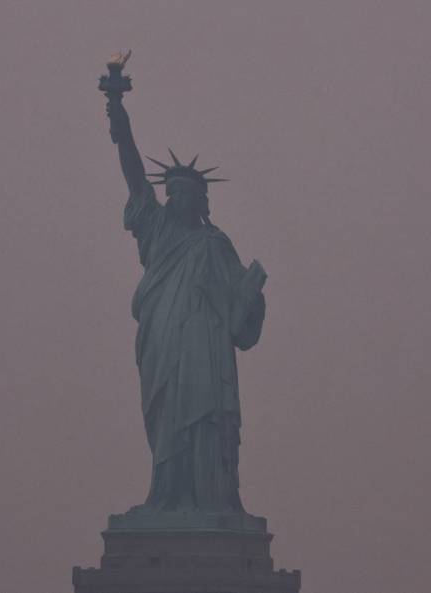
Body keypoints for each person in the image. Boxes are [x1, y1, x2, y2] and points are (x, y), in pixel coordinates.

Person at [105, 89, 267, 514]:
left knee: (206, 420)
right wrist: (120, 124)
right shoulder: (157, 230)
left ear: (201, 201)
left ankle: (214, 499)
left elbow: (240, 314)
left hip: (206, 350)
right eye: (171, 193)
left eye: (183, 194)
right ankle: (165, 495)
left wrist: (253, 296)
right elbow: (135, 176)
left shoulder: (216, 244)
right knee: (168, 419)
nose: (174, 199)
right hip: (162, 340)